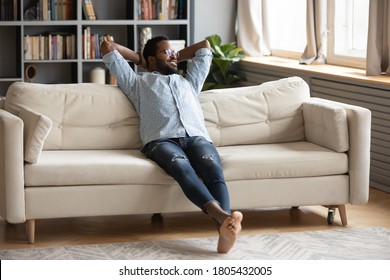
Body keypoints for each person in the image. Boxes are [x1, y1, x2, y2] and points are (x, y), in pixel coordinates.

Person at [101, 36, 243, 254]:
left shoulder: (190, 82)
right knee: (181, 168)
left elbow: (205, 47)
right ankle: (223, 216)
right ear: (151, 59)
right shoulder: (137, 83)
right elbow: (108, 47)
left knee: (214, 170)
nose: (174, 55)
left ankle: (225, 231)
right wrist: (141, 59)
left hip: (196, 137)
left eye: (174, 52)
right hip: (161, 141)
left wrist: (172, 55)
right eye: (166, 52)